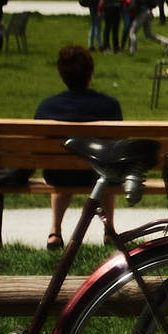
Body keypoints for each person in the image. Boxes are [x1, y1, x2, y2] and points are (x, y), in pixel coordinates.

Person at [35, 45, 122, 250]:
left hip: (60, 174)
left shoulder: (46, 107)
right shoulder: (109, 105)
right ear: (90, 73)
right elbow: (118, 146)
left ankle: (55, 231)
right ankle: (109, 229)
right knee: (107, 167)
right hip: (99, 176)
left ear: (62, 75)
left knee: (63, 162)